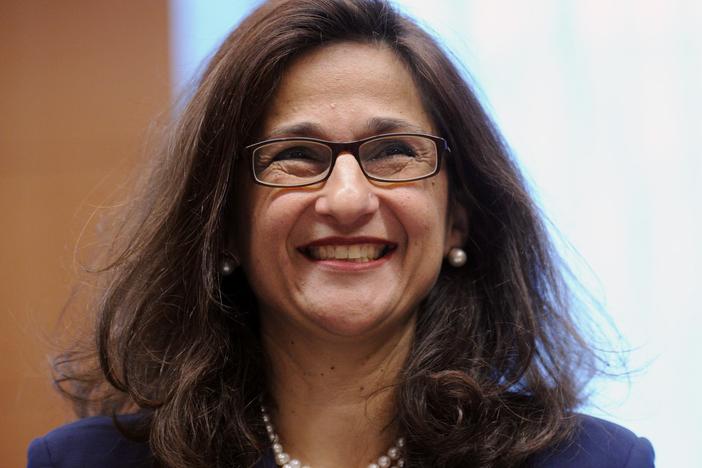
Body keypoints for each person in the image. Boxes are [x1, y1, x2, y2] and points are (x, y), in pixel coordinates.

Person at [28, 0, 655, 467]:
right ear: (220, 224)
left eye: (393, 152)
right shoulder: (79, 463)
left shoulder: (596, 461)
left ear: (457, 218)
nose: (349, 199)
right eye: (295, 155)